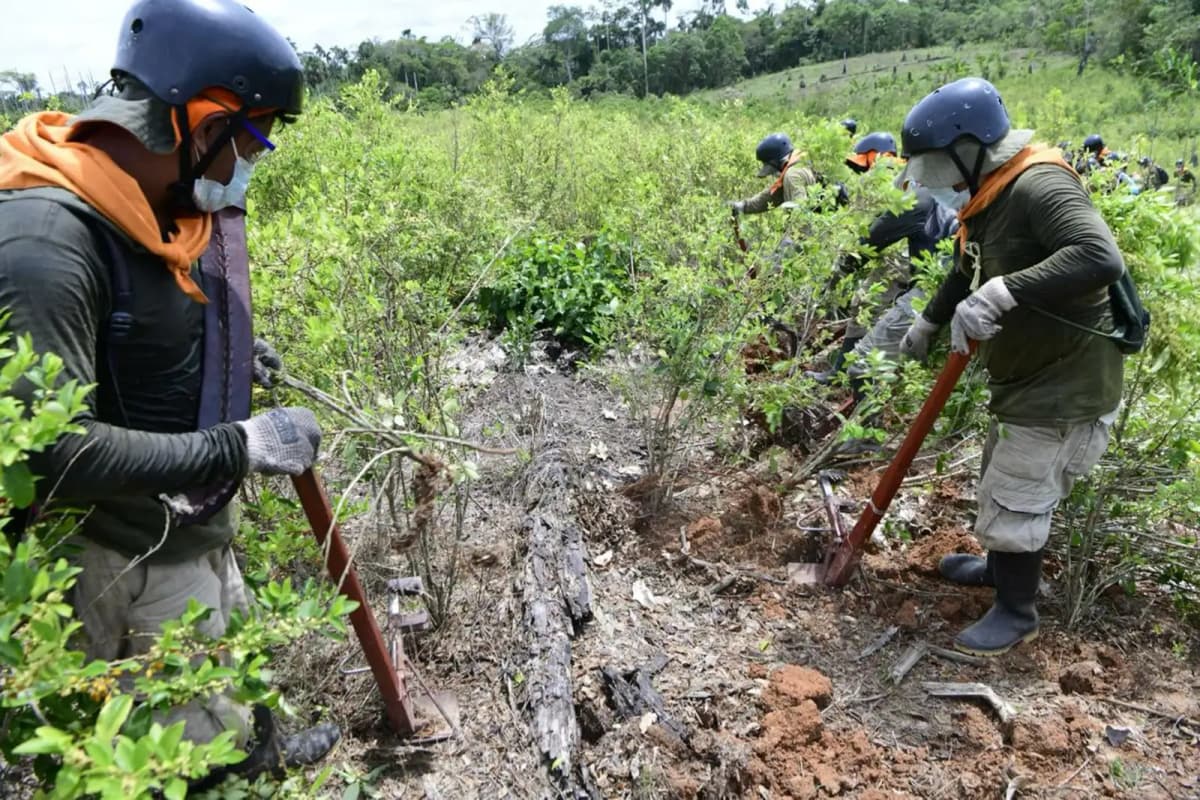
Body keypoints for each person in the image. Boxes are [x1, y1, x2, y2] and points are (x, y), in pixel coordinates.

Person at [0, 0, 338, 786]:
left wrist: (223, 358)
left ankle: (258, 755)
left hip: (187, 528)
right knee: (171, 766)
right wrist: (240, 445)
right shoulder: (48, 240)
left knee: (226, 684)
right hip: (118, 560)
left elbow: (139, 337)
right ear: (199, 121)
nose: (251, 162)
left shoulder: (151, 208)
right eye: (251, 138)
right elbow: (48, 446)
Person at [896, 77, 1126, 657]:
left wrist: (1003, 292)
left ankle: (1017, 611)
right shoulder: (989, 197)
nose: (933, 183)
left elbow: (1099, 256)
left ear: (968, 150)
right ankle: (1000, 571)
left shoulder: (1038, 185)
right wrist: (927, 322)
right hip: (1026, 378)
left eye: (934, 167)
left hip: (1064, 385)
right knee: (1000, 477)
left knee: (1020, 493)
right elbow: (963, 268)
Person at [811, 132, 957, 394]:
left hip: (924, 276)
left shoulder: (913, 191)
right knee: (869, 303)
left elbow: (872, 238)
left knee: (866, 360)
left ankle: (859, 396)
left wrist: (838, 273)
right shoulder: (946, 188)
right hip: (930, 269)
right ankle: (848, 372)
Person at [729, 132, 818, 216]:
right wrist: (742, 206)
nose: (775, 174)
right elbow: (771, 198)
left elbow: (801, 213)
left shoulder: (792, 174)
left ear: (779, 161)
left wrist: (793, 232)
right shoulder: (800, 166)